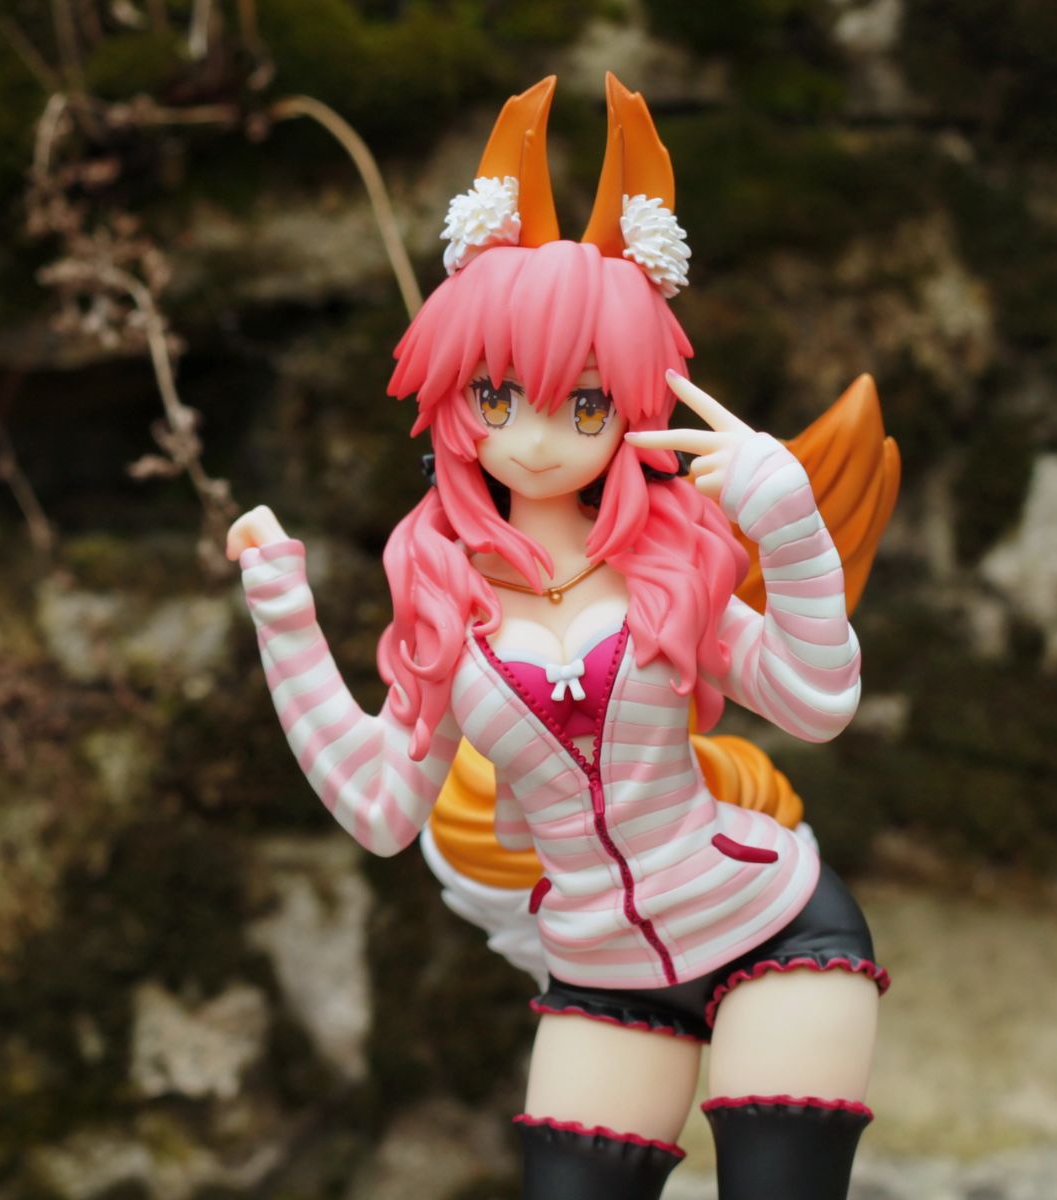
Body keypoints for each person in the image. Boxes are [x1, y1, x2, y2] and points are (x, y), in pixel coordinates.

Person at [227, 74, 899, 1200]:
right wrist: (284, 617)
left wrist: (789, 528)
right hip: (601, 970)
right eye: (499, 397)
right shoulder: (442, 597)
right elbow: (385, 809)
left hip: (771, 926)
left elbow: (816, 703)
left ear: (634, 402)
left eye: (586, 405)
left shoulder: (668, 563)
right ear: (454, 393)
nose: (537, 440)